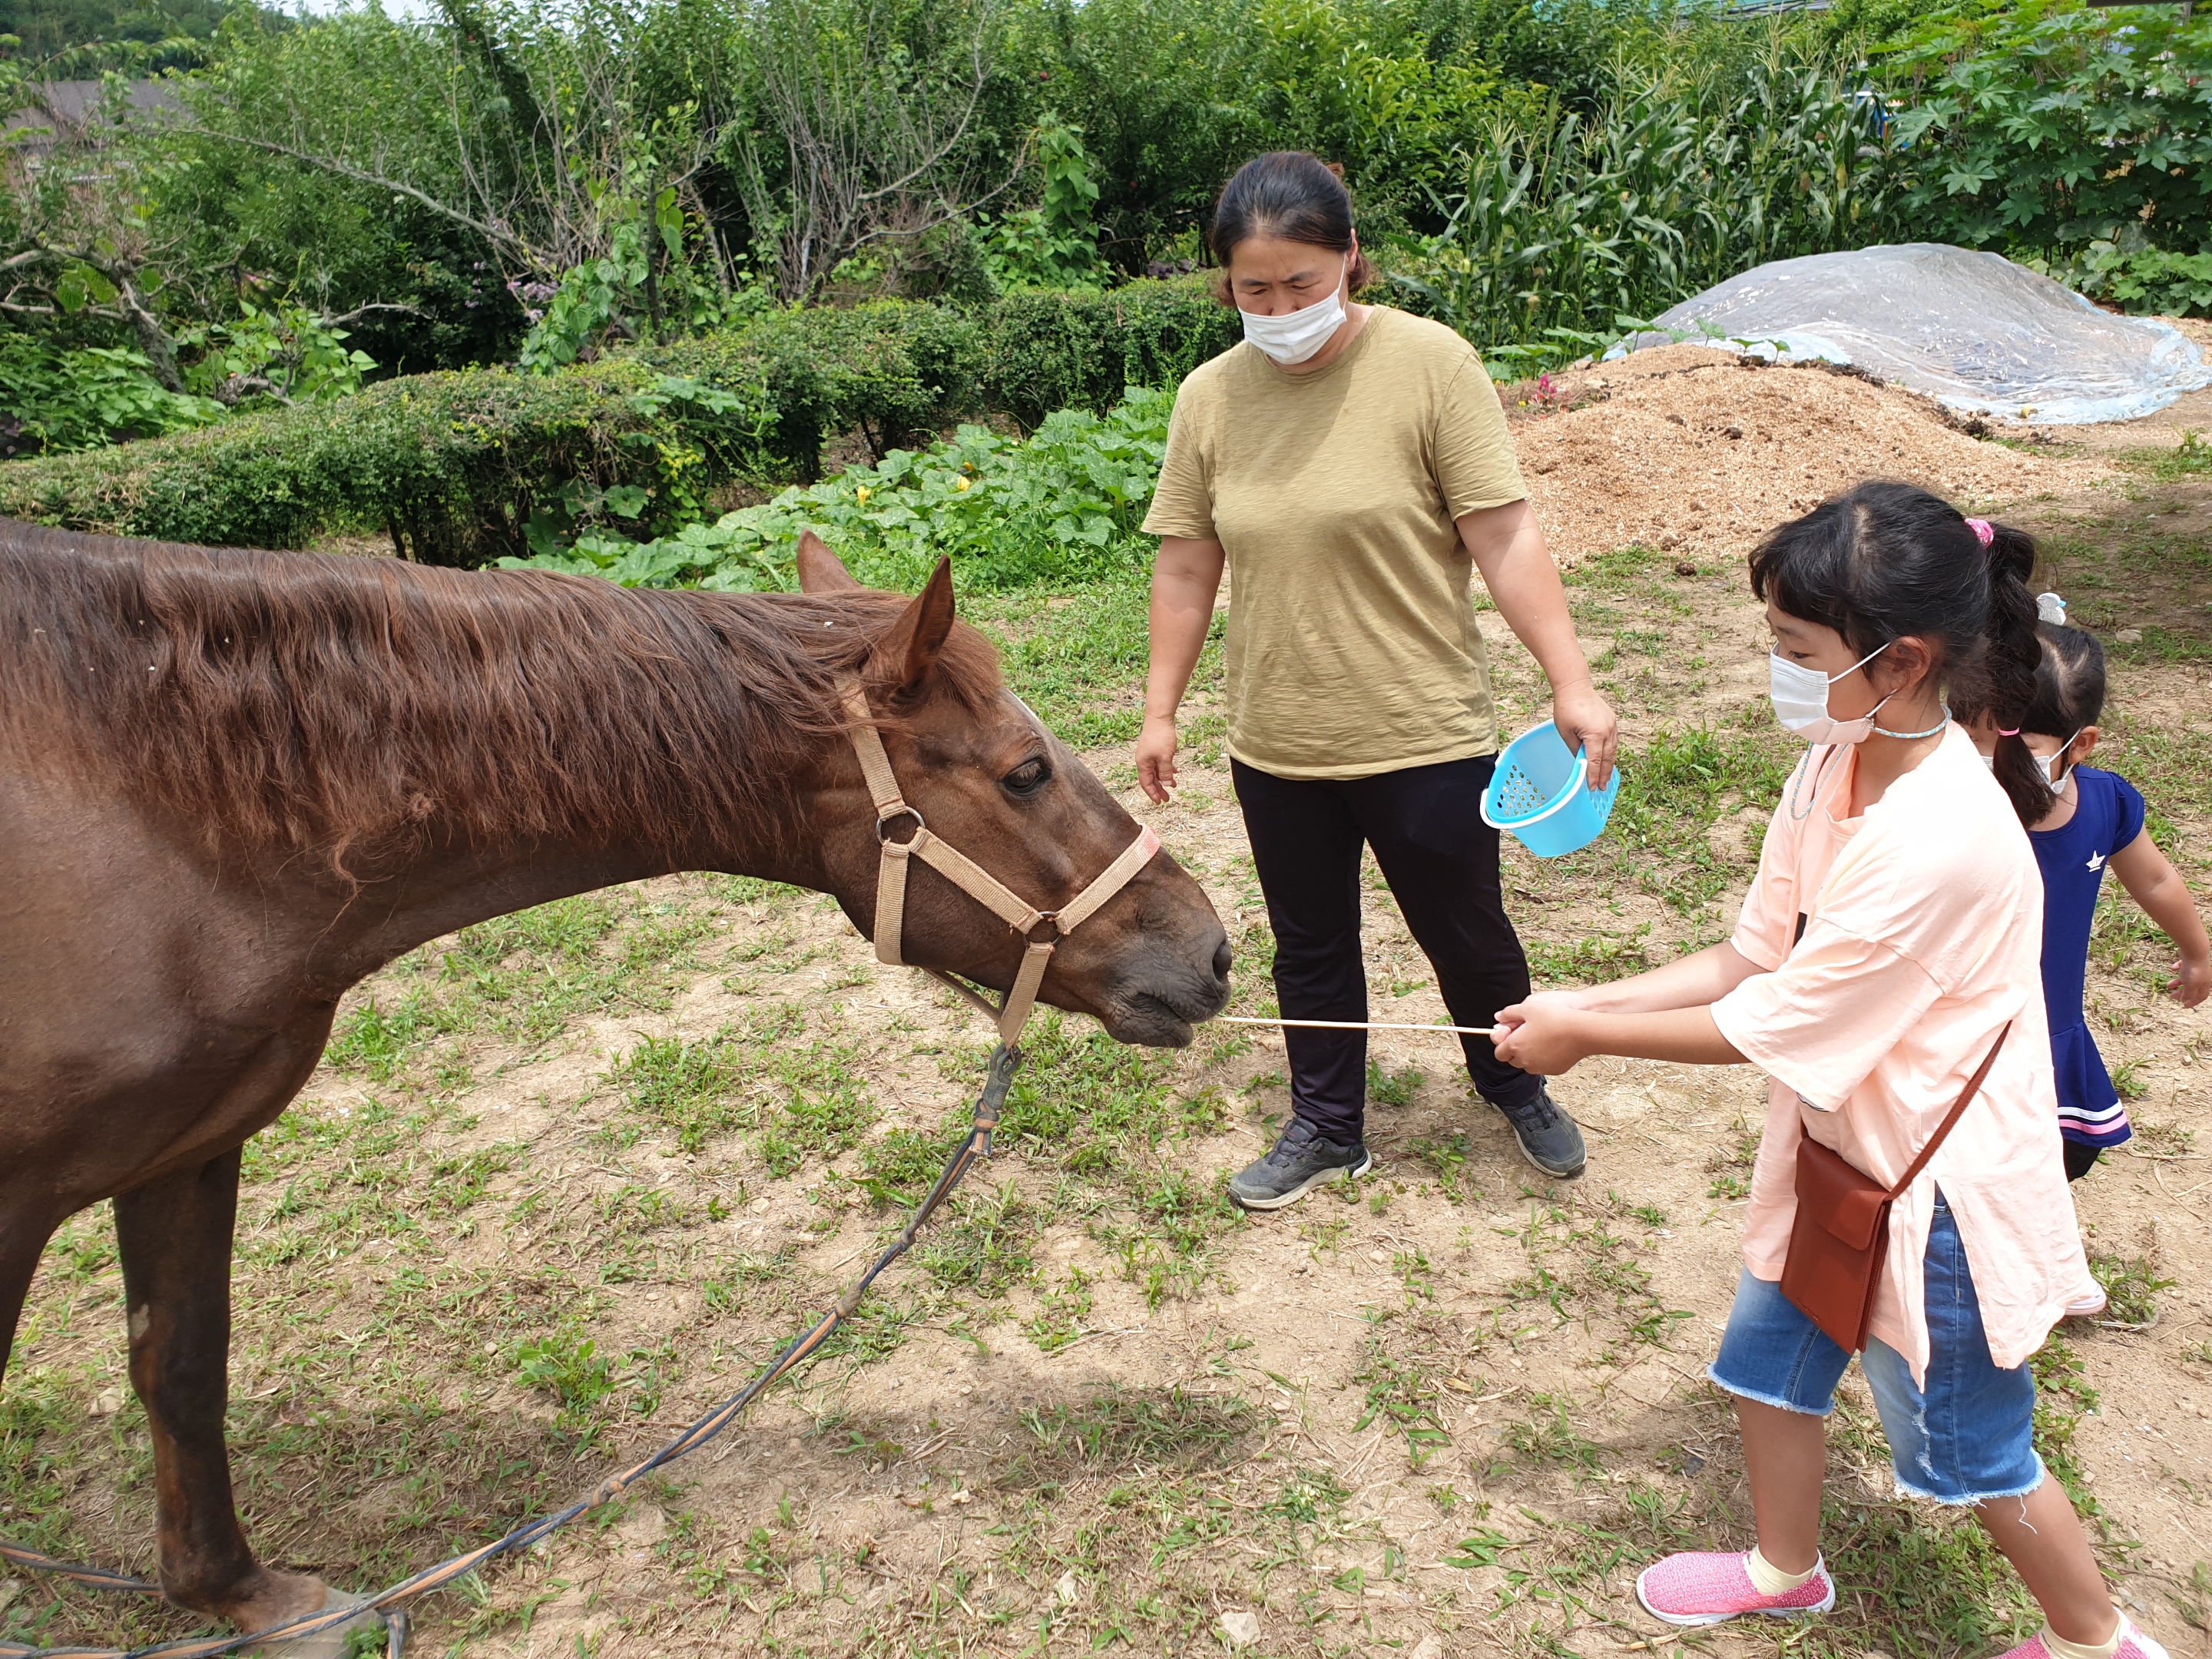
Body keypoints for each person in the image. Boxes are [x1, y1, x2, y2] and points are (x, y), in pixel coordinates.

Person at [1492, 485, 2165, 1659]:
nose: (1781, 672)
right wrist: (1584, 1002)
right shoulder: (1838, 761)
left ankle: (2099, 1640)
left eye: (1797, 651)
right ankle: (1782, 1568)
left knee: (1973, 1455)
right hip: (1840, 1155)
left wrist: (1587, 1038)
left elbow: (1780, 1020)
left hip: (1934, 1200)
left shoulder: (1944, 837)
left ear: (1900, 660)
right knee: (1767, 1366)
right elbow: (1752, 951)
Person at [1137, 150, 1618, 1209]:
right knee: (1309, 947)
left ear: (1351, 259)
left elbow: (1504, 537)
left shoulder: (1430, 365)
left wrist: (1571, 682)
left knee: (1469, 935)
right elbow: (1185, 562)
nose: (1280, 307)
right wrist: (1161, 709)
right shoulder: (1210, 397)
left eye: (1302, 283)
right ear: (1226, 286)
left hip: (1424, 732)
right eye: (1254, 290)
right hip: (1279, 738)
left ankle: (1515, 1083)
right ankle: (1326, 1125)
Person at [1958, 598, 2210, 1198]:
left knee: (2052, 1163)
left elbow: (2154, 880)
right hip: (1956, 1030)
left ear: (2080, 744)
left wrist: (2198, 951)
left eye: (2014, 745)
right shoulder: (1945, 811)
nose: (1984, 762)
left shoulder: (2104, 804)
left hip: (2048, 1026)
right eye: (1966, 738)